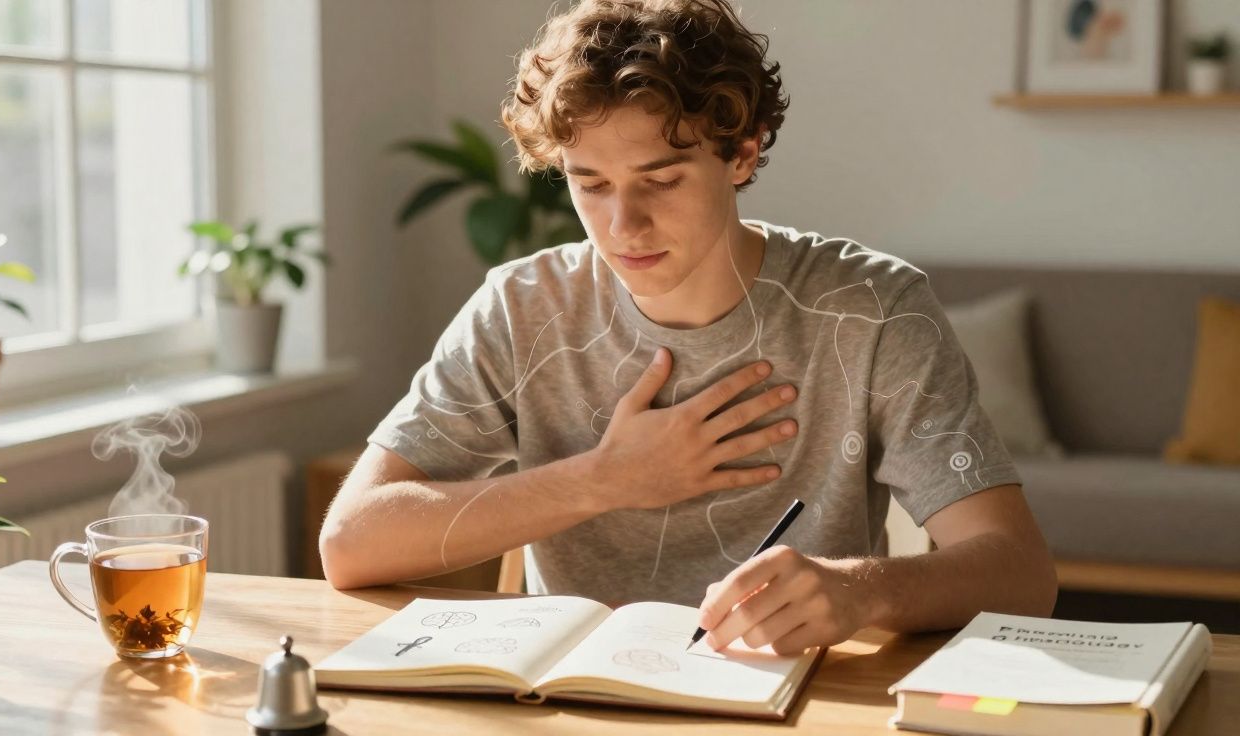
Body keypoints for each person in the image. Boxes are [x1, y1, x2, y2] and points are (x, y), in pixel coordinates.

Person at [320, 0, 1056, 655]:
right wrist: (602, 481)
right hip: (576, 708)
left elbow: (1021, 573)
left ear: (741, 153)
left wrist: (859, 591)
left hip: (793, 703)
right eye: (590, 184)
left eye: (661, 180)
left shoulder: (872, 310)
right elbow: (351, 544)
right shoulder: (521, 308)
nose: (622, 224)